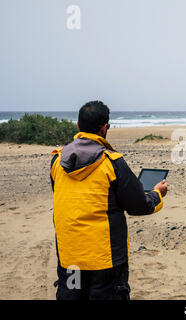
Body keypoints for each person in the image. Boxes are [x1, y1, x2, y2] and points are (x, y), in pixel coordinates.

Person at [50, 101, 168, 300]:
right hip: (104, 260)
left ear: (78, 125)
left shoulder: (57, 161)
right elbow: (138, 205)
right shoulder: (111, 163)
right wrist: (157, 193)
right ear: (104, 128)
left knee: (72, 295)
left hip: (70, 259)